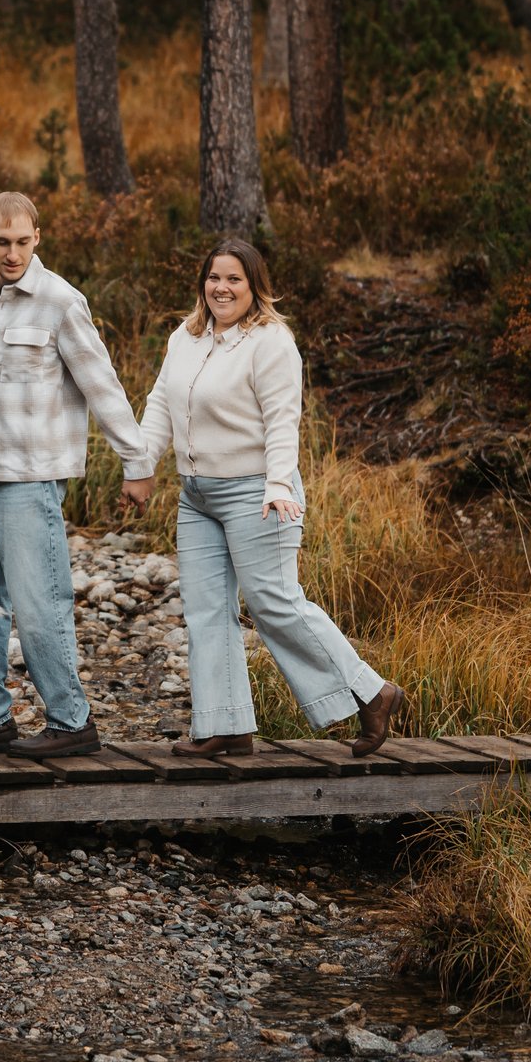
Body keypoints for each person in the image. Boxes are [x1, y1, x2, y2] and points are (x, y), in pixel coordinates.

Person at [123, 237, 408, 756]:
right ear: (202, 283)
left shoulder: (270, 341)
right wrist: (140, 467)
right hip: (197, 497)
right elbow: (161, 404)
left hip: (256, 492)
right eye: (214, 277)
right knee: (206, 611)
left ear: (255, 287)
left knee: (273, 601)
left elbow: (283, 420)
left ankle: (372, 691)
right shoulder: (184, 338)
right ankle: (226, 726)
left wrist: (279, 484)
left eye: (234, 278)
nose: (221, 287)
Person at [0, 191, 157, 758]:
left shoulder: (60, 301)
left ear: (38, 238)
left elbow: (103, 385)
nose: (13, 253)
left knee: (40, 602)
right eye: (2, 242)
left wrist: (137, 463)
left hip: (32, 480)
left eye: (23, 242)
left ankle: (71, 722)